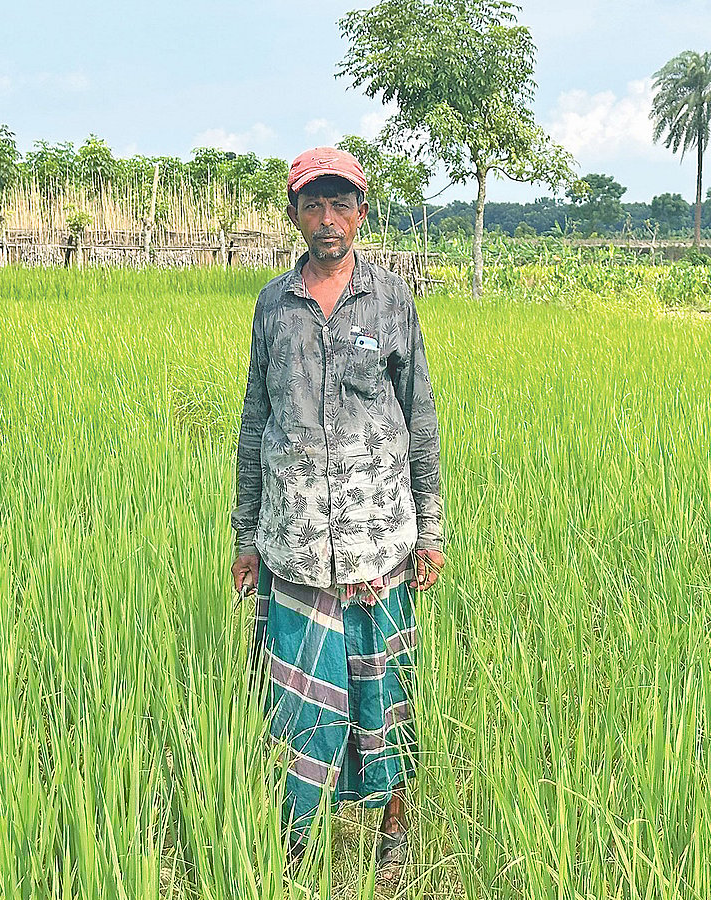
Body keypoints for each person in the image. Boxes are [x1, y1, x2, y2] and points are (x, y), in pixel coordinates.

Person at [230, 146, 445, 873]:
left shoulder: (391, 301)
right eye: (313, 205)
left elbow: (420, 419)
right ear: (293, 214)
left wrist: (431, 531)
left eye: (341, 204)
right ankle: (295, 840)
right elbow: (256, 420)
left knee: (383, 690)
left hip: (379, 540)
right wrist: (244, 536)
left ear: (361, 211)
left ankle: (394, 826)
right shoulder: (273, 305)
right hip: (291, 544)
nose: (328, 220)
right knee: (296, 701)